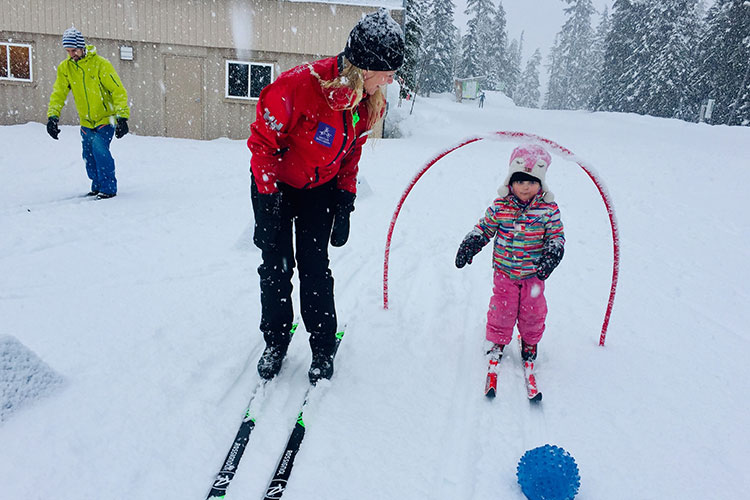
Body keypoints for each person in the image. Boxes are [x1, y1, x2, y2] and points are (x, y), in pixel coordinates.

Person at [246, 9, 404, 383]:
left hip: (320, 191)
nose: (392, 79)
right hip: (277, 188)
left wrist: (345, 199)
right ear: (365, 66)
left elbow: (351, 153)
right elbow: (262, 144)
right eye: (388, 70)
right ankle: (276, 341)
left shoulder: (368, 101)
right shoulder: (300, 85)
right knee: (276, 269)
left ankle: (321, 345)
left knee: (316, 270)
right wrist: (267, 202)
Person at [455, 145, 565, 363]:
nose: (525, 187)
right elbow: (485, 228)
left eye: (532, 182)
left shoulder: (548, 209)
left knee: (533, 311)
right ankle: (496, 341)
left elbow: (556, 236)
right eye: (520, 181)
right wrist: (471, 243)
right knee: (502, 310)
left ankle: (530, 342)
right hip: (505, 272)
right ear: (510, 182)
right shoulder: (500, 207)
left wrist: (552, 254)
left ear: (541, 184)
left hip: (534, 273)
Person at [46, 27, 130, 199]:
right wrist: (52, 117)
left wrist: (122, 117)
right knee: (89, 156)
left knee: (100, 151)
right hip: (86, 121)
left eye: (74, 50)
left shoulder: (100, 64)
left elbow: (117, 91)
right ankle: (97, 186)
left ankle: (108, 188)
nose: (72, 54)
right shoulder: (66, 68)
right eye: (68, 51)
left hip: (105, 118)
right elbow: (59, 93)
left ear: (82, 47)